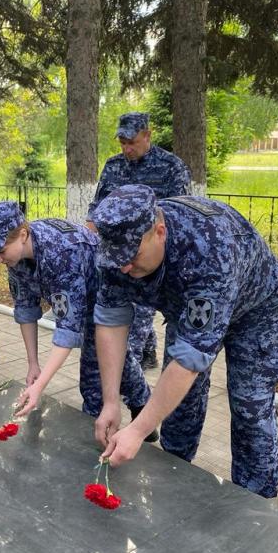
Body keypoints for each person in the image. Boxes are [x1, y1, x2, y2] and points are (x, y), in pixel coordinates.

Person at [92, 185, 278, 498]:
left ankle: (256, 502)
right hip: (188, 305)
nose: (124, 268)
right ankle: (174, 473)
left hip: (256, 309)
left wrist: (139, 430)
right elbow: (110, 323)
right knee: (180, 403)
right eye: (117, 259)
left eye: (132, 257)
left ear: (159, 232)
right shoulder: (118, 251)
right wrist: (111, 402)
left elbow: (190, 359)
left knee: (249, 404)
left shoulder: (209, 250)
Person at [0, 202, 157, 441]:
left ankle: (104, 434)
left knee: (95, 377)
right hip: (80, 297)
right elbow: (26, 308)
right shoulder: (16, 256)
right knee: (118, 358)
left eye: (1, 250)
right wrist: (33, 364)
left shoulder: (59, 253)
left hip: (108, 297)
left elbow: (67, 331)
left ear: (22, 234)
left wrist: (39, 387)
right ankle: (141, 405)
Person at [86, 112, 191, 371]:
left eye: (131, 142)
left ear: (147, 135)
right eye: (122, 142)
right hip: (116, 255)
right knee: (127, 310)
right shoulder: (113, 166)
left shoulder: (171, 166)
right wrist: (89, 235)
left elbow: (179, 214)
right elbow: (98, 207)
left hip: (150, 257)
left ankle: (130, 382)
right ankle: (148, 354)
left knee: (138, 319)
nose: (127, 148)